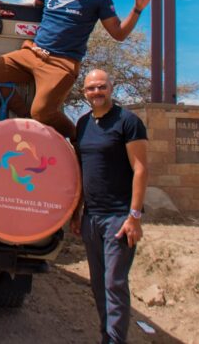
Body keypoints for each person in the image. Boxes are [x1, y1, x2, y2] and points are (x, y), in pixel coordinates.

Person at [0, 0, 152, 138]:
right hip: (34, 52)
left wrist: (137, 8)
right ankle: (28, 118)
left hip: (62, 64)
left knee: (42, 112)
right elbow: (36, 10)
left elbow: (119, 33)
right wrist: (7, 7)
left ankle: (77, 138)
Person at [70, 68, 148, 344]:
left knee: (114, 283)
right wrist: (78, 212)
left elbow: (140, 170)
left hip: (119, 217)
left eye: (101, 87)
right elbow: (81, 169)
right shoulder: (82, 124)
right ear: (84, 92)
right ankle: (106, 334)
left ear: (111, 88)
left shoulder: (128, 122)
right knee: (99, 284)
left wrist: (134, 217)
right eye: (91, 88)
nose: (96, 92)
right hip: (92, 218)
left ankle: (114, 340)